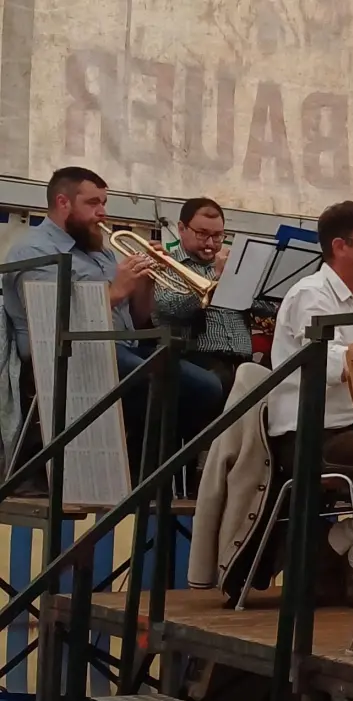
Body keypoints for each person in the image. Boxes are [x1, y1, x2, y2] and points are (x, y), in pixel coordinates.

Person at [1, 167, 224, 474]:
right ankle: (138, 477)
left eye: (104, 203)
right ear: (63, 202)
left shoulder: (101, 253)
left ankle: (149, 474)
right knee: (160, 384)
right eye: (93, 203)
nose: (102, 213)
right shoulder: (36, 250)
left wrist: (145, 281)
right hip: (63, 356)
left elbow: (136, 319)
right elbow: (53, 325)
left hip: (119, 349)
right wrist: (116, 291)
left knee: (208, 387)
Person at [265, 200, 353, 602]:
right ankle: (351, 554)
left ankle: (338, 544)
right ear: (341, 246)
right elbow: (323, 363)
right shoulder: (310, 294)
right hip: (311, 431)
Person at [152, 198, 275, 396]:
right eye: (202, 234)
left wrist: (251, 280)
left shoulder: (233, 264)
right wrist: (215, 278)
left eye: (218, 236)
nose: (210, 243)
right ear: (182, 228)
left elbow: (270, 309)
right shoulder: (167, 264)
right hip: (195, 362)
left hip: (242, 365)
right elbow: (170, 307)